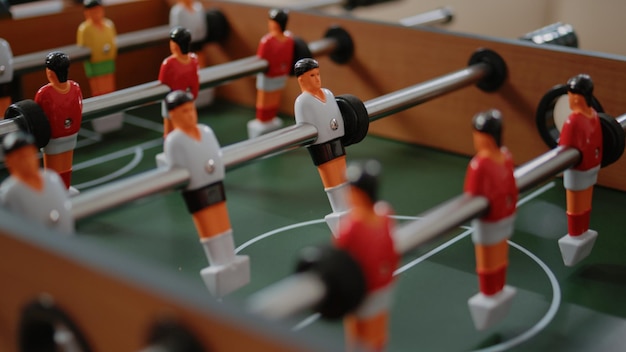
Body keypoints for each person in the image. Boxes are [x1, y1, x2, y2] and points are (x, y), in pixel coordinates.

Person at [163, 90, 249, 298]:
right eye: (184, 111)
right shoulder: (174, 141)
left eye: (191, 109)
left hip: (214, 182)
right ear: (173, 115)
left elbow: (216, 155)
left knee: (222, 220)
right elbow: (177, 169)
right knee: (209, 224)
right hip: (197, 187)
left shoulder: (206, 131)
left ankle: (230, 258)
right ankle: (219, 261)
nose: (190, 114)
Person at [334, 160, 398, 352]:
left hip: (363, 289)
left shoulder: (351, 227)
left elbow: (339, 256)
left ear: (358, 193)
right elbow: (392, 253)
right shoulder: (385, 215)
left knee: (359, 333)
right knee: (378, 329)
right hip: (383, 285)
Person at [463, 109, 517, 330]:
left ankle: (489, 293)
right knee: (500, 256)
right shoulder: (506, 156)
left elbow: (471, 193)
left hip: (489, 220)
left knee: (487, 260)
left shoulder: (479, 165)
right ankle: (498, 288)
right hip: (506, 214)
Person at [294, 58, 348, 235]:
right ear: (301, 79)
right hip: (321, 146)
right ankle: (340, 210)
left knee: (343, 174)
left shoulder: (329, 94)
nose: (317, 78)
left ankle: (347, 207)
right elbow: (303, 130)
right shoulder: (302, 102)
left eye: (318, 74)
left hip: (337, 140)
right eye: (312, 75)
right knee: (331, 178)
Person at [557, 74, 602, 266]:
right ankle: (582, 231)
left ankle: (576, 234)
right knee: (585, 204)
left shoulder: (573, 120)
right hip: (592, 165)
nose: (570, 99)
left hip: (577, 169)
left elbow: (563, 145)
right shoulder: (593, 115)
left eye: (572, 95)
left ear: (579, 97)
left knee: (575, 207)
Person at [0, 131, 74, 234]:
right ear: (9, 162)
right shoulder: (9, 193)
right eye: (20, 158)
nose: (27, 161)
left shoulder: (51, 178)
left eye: (29, 155)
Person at [34, 51, 83, 191]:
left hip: (53, 136)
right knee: (66, 164)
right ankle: (64, 189)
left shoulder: (44, 93)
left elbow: (37, 115)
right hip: (71, 134)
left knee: (53, 167)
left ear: (50, 72)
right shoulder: (75, 87)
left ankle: (55, 192)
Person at [247, 8, 295, 138]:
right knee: (272, 99)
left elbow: (261, 58)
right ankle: (266, 120)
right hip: (279, 74)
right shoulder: (289, 39)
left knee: (267, 100)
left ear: (276, 24)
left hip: (269, 76)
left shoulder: (267, 41)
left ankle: (265, 120)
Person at [159, 26, 199, 137]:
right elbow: (195, 85)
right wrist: (191, 98)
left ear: (175, 45)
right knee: (178, 129)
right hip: (184, 100)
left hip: (174, 100)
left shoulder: (168, 63)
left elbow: (162, 82)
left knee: (173, 130)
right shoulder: (194, 60)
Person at [76, 0, 117, 97]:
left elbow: (113, 40)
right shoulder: (84, 29)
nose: (97, 14)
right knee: (98, 89)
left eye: (98, 11)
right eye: (93, 11)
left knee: (110, 87)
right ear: (87, 13)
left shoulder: (109, 25)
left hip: (108, 60)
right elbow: (82, 46)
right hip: (94, 63)